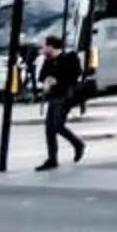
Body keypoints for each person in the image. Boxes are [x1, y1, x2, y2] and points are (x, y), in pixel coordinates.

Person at [34, 35, 87, 170]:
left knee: (57, 125)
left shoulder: (69, 57)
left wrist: (56, 79)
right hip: (53, 96)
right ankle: (52, 158)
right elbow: (41, 77)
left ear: (52, 46)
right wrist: (47, 80)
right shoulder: (48, 60)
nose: (43, 48)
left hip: (64, 96)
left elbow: (75, 74)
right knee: (49, 129)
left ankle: (78, 144)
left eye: (45, 46)